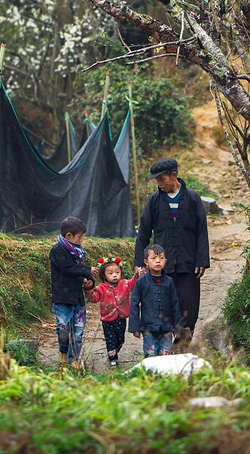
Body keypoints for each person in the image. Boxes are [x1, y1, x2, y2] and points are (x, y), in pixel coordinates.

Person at [133, 157, 209, 347]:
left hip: (188, 263)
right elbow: (143, 233)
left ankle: (183, 340)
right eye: (156, 180)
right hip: (162, 266)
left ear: (174, 175)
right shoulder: (154, 201)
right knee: (162, 302)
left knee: (188, 304)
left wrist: (202, 259)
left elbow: (201, 232)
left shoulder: (192, 198)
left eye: (161, 179)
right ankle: (164, 343)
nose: (159, 184)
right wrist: (139, 262)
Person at [49, 215, 98, 369]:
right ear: (68, 235)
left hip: (77, 298)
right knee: (63, 330)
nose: (80, 240)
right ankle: (63, 360)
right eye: (79, 237)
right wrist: (86, 270)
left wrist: (88, 279)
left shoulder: (77, 252)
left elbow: (78, 271)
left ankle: (74, 360)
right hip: (63, 298)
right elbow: (67, 268)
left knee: (78, 332)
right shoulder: (57, 250)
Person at [85, 256, 143, 367]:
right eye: (110, 273)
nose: (115, 275)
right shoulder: (101, 288)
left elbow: (132, 283)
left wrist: (137, 275)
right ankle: (112, 358)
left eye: (117, 272)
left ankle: (115, 351)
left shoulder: (124, 284)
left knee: (120, 339)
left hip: (121, 318)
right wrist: (88, 289)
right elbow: (94, 298)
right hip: (107, 319)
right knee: (110, 339)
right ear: (104, 276)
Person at [128, 244, 182, 357]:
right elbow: (134, 303)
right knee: (150, 356)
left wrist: (177, 327)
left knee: (166, 356)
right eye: (153, 258)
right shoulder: (141, 282)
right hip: (148, 328)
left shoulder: (169, 282)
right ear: (146, 262)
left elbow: (174, 304)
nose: (158, 261)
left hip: (166, 328)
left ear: (165, 261)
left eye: (161, 258)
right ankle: (151, 375)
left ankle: (165, 375)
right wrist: (135, 326)